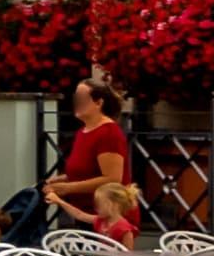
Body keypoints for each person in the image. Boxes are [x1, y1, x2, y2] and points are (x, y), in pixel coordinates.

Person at [48, 71, 147, 245]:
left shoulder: (108, 133)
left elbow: (112, 178)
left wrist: (69, 188)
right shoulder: (82, 132)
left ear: (98, 102)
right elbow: (86, 170)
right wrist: (60, 180)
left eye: (82, 98)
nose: (77, 103)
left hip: (109, 216)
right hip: (86, 213)